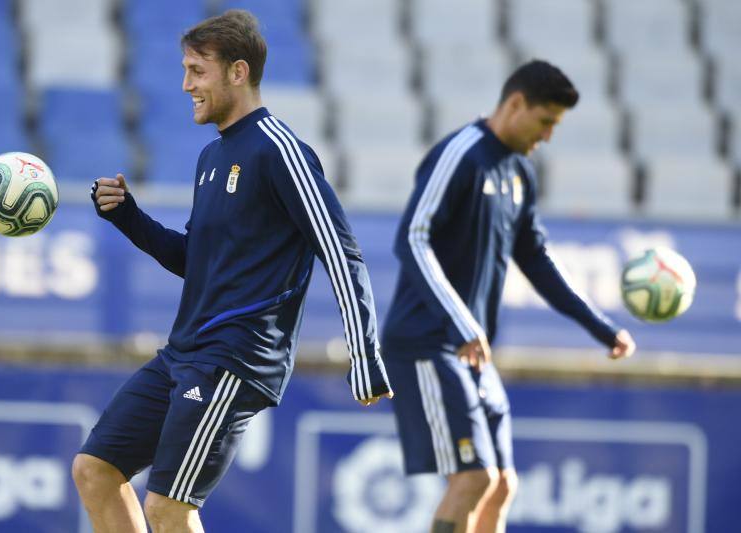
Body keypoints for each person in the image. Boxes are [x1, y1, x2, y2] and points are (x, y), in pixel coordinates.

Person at [71, 10, 392, 533]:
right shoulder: (212, 157)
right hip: (186, 352)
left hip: (235, 358)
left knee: (169, 506)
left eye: (197, 71)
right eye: (185, 70)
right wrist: (127, 217)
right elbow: (195, 263)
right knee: (95, 470)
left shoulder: (280, 151)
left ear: (237, 72)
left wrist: (364, 352)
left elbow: (340, 251)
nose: (185, 85)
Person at [381, 60, 636, 533]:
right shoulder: (461, 154)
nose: (548, 136)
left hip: (469, 349)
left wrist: (600, 327)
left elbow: (536, 259)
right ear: (515, 104)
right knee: (474, 477)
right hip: (427, 341)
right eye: (546, 122)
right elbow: (412, 239)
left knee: (502, 484)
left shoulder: (520, 171)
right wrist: (462, 323)